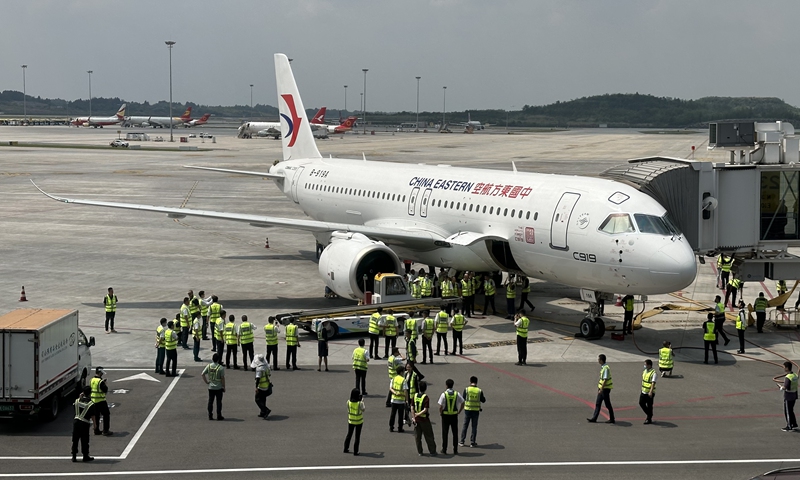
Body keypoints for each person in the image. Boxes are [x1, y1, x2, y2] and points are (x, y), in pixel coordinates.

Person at [438, 378, 464, 455]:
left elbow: (440, 406)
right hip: (454, 415)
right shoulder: (457, 394)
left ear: (446, 385)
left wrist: (440, 413)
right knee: (455, 433)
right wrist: (459, 411)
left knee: (445, 433)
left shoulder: (444, 394)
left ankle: (444, 449)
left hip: (445, 416)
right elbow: (463, 402)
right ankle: (455, 450)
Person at [411, 381, 438, 456]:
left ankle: (420, 451)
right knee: (429, 436)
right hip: (424, 420)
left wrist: (414, 417)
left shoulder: (415, 395)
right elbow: (425, 409)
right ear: (425, 388)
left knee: (417, 437)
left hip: (416, 420)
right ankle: (432, 451)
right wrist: (418, 415)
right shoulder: (425, 397)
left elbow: (412, 407)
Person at [586, 354, 615, 424]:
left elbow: (605, 380)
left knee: (607, 404)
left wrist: (601, 389)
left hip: (605, 389)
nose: (598, 360)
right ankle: (594, 418)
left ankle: (612, 419)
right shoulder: (603, 367)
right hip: (602, 389)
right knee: (598, 403)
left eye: (599, 359)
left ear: (601, 360)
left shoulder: (606, 368)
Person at [71, 386, 96, 463]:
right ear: (90, 393)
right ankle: (85, 456)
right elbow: (93, 416)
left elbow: (75, 407)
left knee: (75, 440)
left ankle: (74, 456)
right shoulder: (90, 403)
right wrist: (95, 425)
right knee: (84, 440)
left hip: (76, 422)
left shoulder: (77, 401)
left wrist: (80, 397)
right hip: (84, 423)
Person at [459, 376, 485, 447]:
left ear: (470, 381)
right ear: (476, 382)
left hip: (467, 410)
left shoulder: (467, 389)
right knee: (474, 426)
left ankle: (462, 441)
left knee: (465, 425)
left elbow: (463, 398)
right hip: (476, 411)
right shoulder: (479, 391)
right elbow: (483, 400)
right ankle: (472, 442)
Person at [202, 353, 225, 421]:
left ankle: (210, 415)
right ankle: (219, 415)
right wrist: (223, 386)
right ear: (218, 359)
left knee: (210, 401)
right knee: (219, 401)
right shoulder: (220, 368)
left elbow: (202, 374)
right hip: (218, 387)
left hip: (211, 387)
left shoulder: (209, 366)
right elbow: (222, 378)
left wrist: (206, 382)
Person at [90, 367, 112, 436]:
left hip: (93, 401)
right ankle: (105, 430)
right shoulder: (100, 382)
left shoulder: (92, 380)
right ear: (100, 373)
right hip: (101, 401)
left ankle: (96, 430)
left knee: (96, 416)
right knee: (106, 414)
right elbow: (105, 390)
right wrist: (105, 383)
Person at [344, 388, 365, 455]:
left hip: (351, 421)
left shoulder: (348, 402)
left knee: (349, 434)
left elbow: (348, 410)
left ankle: (345, 448)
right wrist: (362, 401)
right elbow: (363, 409)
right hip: (359, 421)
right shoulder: (359, 403)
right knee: (357, 436)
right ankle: (356, 451)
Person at [780, 361, 798, 431]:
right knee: (791, 410)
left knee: (787, 411)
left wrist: (781, 388)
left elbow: (786, 386)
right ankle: (794, 423)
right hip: (794, 394)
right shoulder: (795, 375)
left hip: (788, 396)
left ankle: (789, 426)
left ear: (787, 368)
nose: (783, 368)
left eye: (784, 367)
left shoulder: (788, 377)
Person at [253, 353, 272, 419]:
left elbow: (258, 378)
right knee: (263, 399)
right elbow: (269, 374)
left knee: (257, 399)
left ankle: (265, 410)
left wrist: (256, 387)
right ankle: (262, 412)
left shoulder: (259, 369)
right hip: (266, 385)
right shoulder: (266, 366)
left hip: (261, 386)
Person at [389, 366, 408, 432]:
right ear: (401, 372)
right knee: (400, 415)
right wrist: (407, 399)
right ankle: (400, 428)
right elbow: (405, 391)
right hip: (401, 400)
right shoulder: (403, 380)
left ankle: (391, 427)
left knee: (393, 414)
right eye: (403, 371)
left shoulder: (393, 379)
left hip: (394, 399)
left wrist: (395, 392)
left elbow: (390, 388)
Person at [639, 359, 657, 424]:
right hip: (643, 391)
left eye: (645, 364)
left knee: (649, 405)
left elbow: (653, 383)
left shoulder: (653, 373)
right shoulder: (645, 371)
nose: (644, 365)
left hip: (649, 392)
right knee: (641, 403)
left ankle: (649, 419)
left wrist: (651, 391)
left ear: (649, 365)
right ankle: (650, 414)